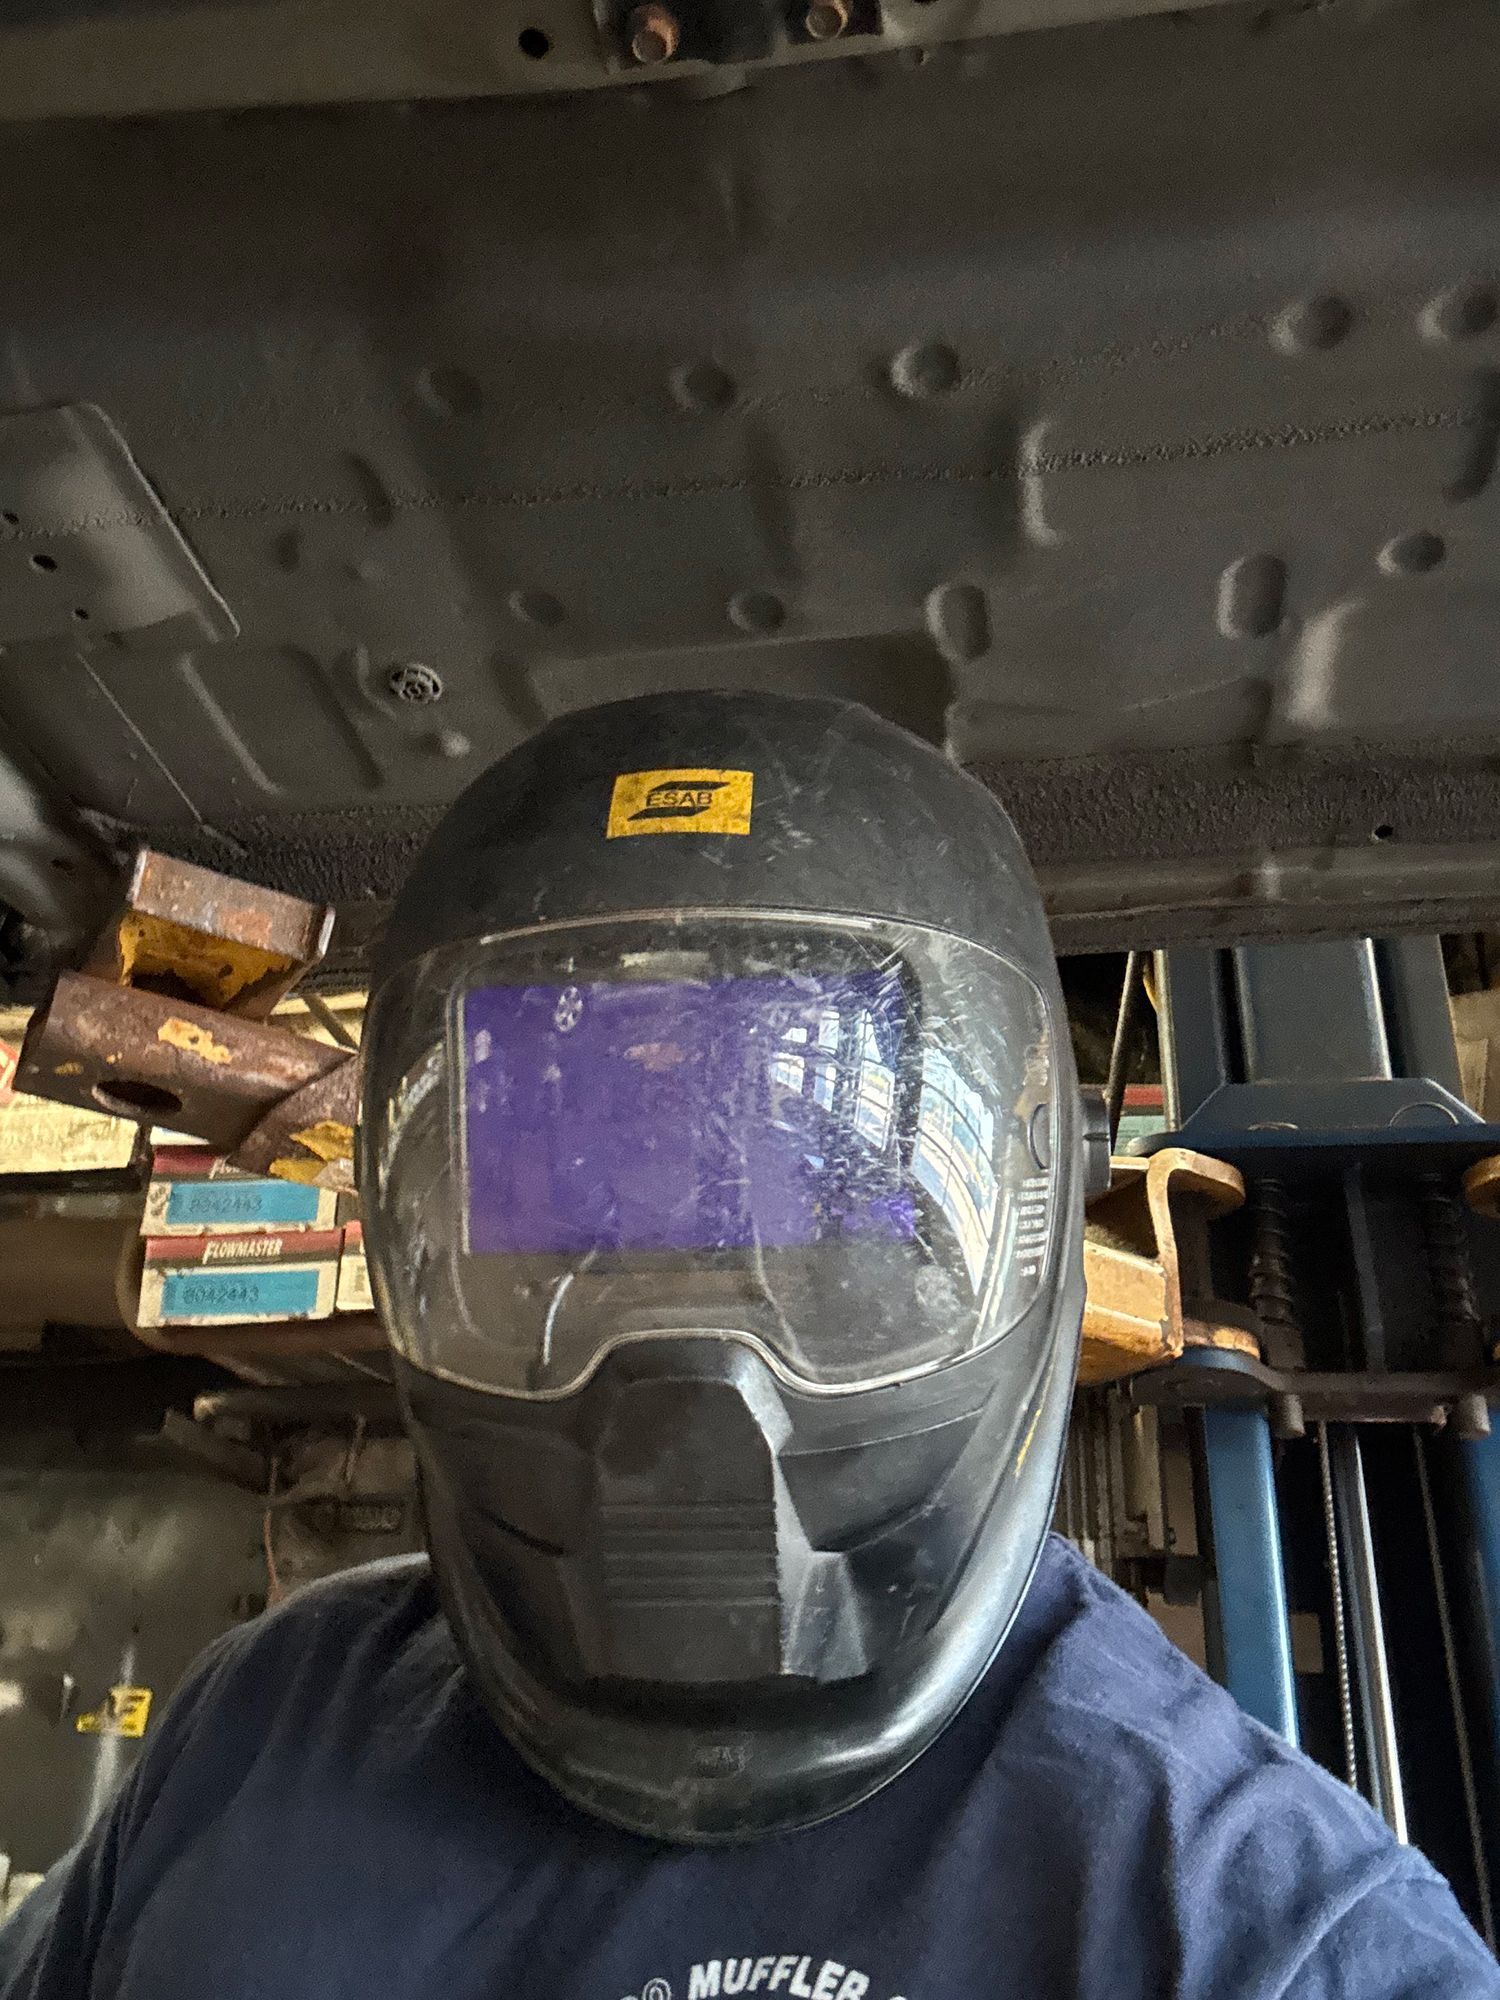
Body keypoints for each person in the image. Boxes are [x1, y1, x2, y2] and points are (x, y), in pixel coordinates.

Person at [2, 691, 1496, 1998]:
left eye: (795, 1198)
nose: (685, 1352)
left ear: (1030, 1197)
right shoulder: (255, 1720)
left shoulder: (1275, 1936)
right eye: (583, 1185)